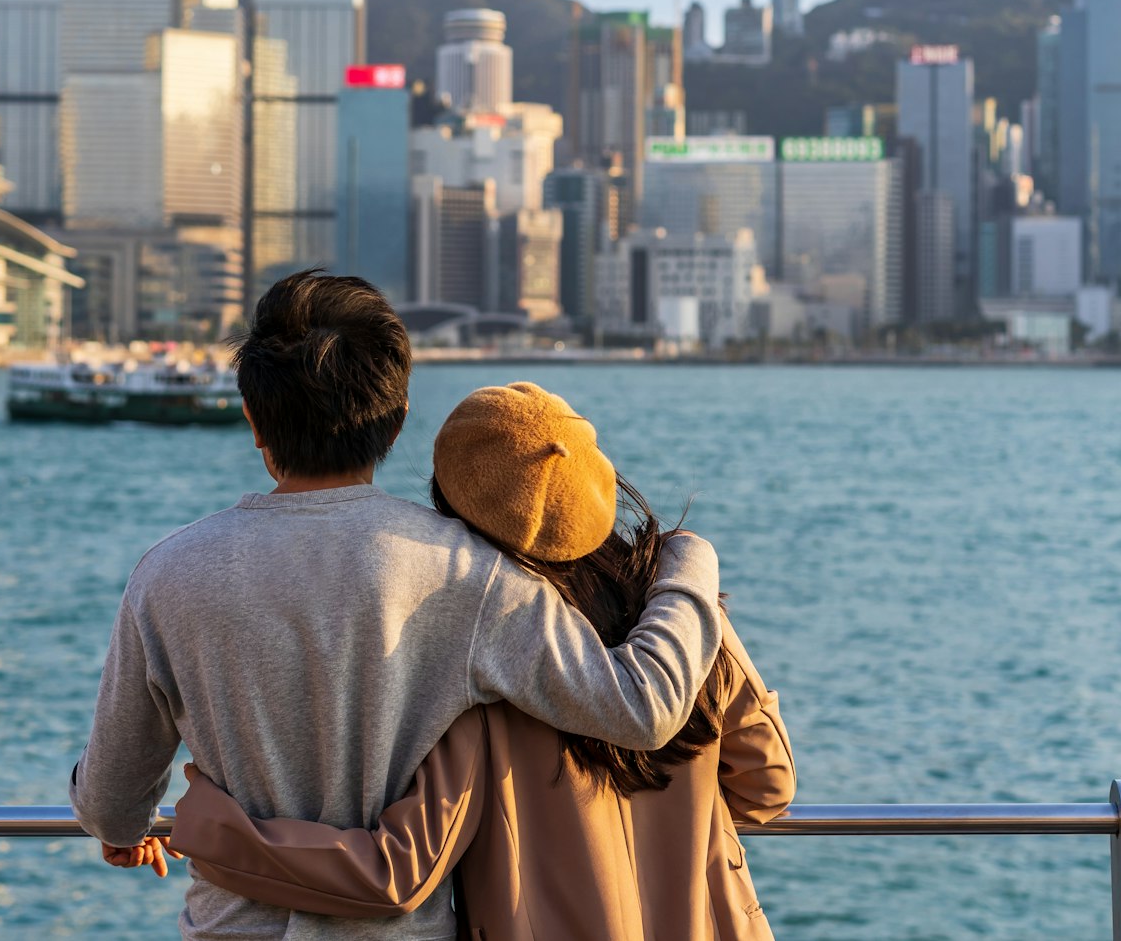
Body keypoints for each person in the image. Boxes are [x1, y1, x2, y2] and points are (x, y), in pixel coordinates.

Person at [71, 272, 725, 941]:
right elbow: (642, 707)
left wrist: (124, 829)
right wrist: (688, 559)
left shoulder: (169, 574)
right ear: (399, 416)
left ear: (252, 415)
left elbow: (110, 802)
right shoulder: (465, 571)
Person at [168, 380, 796, 939]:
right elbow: (768, 785)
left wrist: (209, 827)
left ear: (451, 503)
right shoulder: (683, 617)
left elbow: (395, 872)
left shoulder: (481, 658)